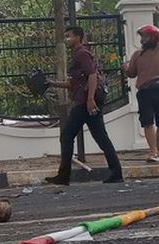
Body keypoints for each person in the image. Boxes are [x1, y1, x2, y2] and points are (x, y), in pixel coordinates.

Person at [44, 26, 123, 185]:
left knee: (67, 136)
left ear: (78, 37)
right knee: (101, 138)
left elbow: (92, 75)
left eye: (69, 36)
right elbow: (74, 84)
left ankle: (64, 176)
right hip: (85, 101)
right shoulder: (79, 54)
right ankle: (116, 172)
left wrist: (90, 100)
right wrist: (52, 83)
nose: (66, 39)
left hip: (85, 103)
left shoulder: (81, 53)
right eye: (65, 36)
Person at [125, 4, 159, 163]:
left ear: (153, 37)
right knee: (147, 121)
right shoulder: (137, 54)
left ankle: (157, 151)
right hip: (144, 91)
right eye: (141, 36)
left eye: (145, 36)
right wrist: (125, 68)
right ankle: (153, 152)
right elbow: (132, 73)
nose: (142, 39)